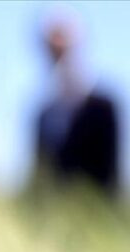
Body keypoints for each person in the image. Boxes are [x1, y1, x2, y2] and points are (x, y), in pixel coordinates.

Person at [32, 11, 120, 197]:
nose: (59, 59)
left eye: (64, 49)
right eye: (52, 51)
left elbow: (113, 179)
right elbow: (39, 178)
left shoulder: (104, 109)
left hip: (97, 216)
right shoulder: (43, 115)